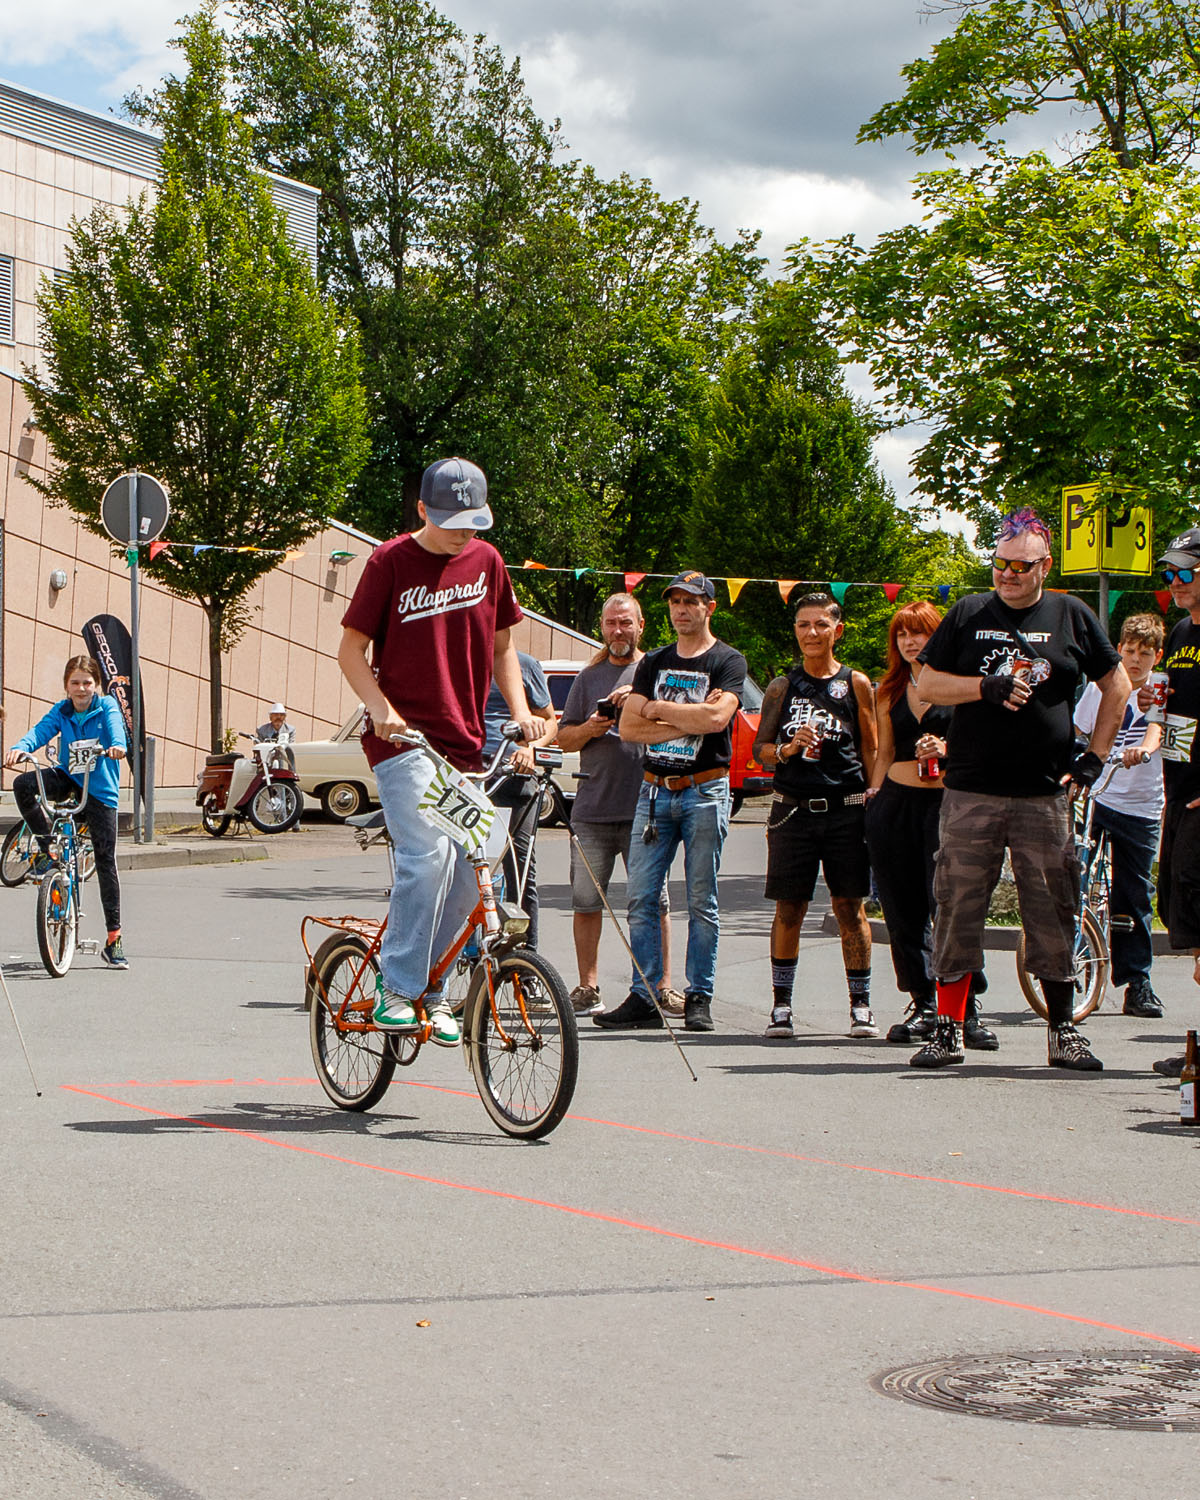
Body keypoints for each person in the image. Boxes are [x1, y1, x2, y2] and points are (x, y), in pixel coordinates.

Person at [912, 507, 1129, 1072]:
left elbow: (1118, 685)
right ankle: (948, 1027)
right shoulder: (966, 613)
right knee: (958, 906)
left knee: (1053, 910)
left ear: (1045, 566)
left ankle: (1063, 1031)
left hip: (1043, 793)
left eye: (1020, 566)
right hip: (971, 790)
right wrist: (985, 686)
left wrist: (1093, 760)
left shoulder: (1071, 614)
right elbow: (927, 682)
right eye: (1000, 564)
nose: (1008, 575)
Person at [337, 456, 538, 1047]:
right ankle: (396, 988)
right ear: (422, 509)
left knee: (476, 865)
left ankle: (435, 990)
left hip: (464, 744)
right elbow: (351, 650)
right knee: (428, 855)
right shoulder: (389, 561)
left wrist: (522, 714)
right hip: (403, 743)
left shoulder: (489, 562)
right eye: (450, 520)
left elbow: (503, 648)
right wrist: (380, 708)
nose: (462, 532)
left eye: (473, 521)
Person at [594, 571, 745, 1033]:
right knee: (640, 899)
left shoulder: (727, 660)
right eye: (675, 601)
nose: (682, 609)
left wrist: (658, 709)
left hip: (704, 790)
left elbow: (720, 717)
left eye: (691, 602)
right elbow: (632, 730)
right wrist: (688, 719)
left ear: (709, 608)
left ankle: (699, 996)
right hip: (654, 792)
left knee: (702, 900)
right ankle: (645, 994)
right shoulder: (654, 662)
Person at [864, 601, 997, 1049]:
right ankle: (923, 1001)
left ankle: (965, 1008)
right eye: (902, 635)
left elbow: (980, 744)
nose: (910, 642)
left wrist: (946, 747)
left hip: (948, 802)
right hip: (896, 803)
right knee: (902, 910)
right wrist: (874, 798)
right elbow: (882, 752)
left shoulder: (957, 686)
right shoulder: (888, 689)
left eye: (919, 633)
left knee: (951, 908)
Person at [753, 593, 878, 1040]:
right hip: (793, 811)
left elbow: (871, 747)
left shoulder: (856, 683)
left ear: (836, 630)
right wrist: (787, 748)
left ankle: (860, 1006)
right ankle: (781, 1006)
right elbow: (760, 751)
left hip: (845, 810)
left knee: (850, 907)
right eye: (804, 625)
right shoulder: (781, 687)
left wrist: (873, 795)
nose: (811, 633)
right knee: (790, 909)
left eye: (821, 625)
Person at [556, 592, 684, 1016]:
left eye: (625, 623)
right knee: (586, 902)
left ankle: (660, 986)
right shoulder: (587, 677)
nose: (618, 631)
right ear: (602, 627)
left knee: (652, 902)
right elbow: (564, 738)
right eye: (611, 623)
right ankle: (588, 987)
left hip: (647, 805)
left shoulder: (658, 671)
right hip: (591, 807)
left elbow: (679, 726)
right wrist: (592, 727)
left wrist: (639, 702)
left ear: (641, 625)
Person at [5, 655, 129, 969]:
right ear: (66, 686)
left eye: (87, 682)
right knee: (23, 784)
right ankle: (49, 847)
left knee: (104, 860)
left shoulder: (107, 708)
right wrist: (21, 747)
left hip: (100, 793)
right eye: (75, 683)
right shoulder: (62, 711)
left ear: (96, 684)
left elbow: (117, 731)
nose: (81, 688)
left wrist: (117, 746)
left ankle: (114, 939)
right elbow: (39, 732)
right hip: (69, 779)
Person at [1073, 613, 1165, 1018]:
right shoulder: (1102, 686)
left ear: (1157, 656)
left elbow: (1157, 731)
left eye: (1145, 653)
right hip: (1099, 796)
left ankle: (1136, 981)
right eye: (1129, 651)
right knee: (1072, 874)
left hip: (1141, 804)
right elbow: (1077, 732)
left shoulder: (1161, 688)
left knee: (1135, 894)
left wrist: (1142, 750)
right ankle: (1067, 959)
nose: (1136, 660)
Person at [1148, 528, 1200, 1076]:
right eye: (1170, 573)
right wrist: (1153, 703)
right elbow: (1173, 714)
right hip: (1180, 791)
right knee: (1184, 915)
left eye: (1185, 572)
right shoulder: (1183, 630)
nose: (1175, 582)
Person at [481, 650, 557, 948]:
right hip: (468, 774)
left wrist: (531, 750)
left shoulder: (525, 664)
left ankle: (526, 961)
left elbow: (550, 721)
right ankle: (463, 960)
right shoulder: (456, 658)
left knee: (521, 870)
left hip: (513, 776)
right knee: (462, 870)